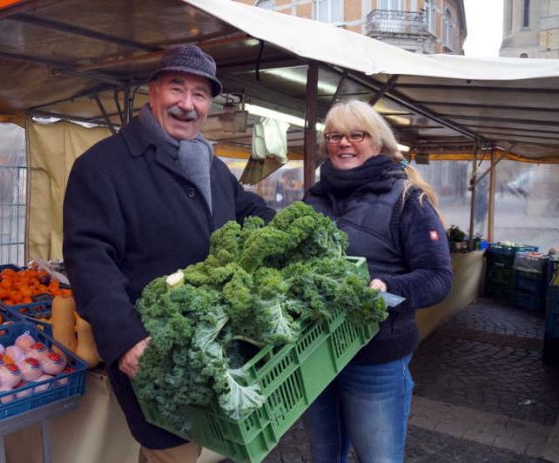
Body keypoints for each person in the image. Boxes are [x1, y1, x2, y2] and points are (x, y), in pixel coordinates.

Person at [62, 45, 275, 463]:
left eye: (199, 95)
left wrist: (283, 227)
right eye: (177, 88)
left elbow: (243, 207)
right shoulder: (103, 165)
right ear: (154, 92)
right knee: (171, 450)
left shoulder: (210, 164)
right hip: (153, 345)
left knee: (188, 450)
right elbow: (90, 259)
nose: (187, 104)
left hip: (212, 338)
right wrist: (123, 339)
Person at [302, 100, 452, 463]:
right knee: (324, 456)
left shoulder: (408, 199)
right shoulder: (314, 198)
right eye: (334, 136)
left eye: (357, 135)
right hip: (313, 355)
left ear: (379, 143)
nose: (344, 143)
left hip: (376, 357)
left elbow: (438, 278)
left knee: (378, 458)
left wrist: (388, 286)